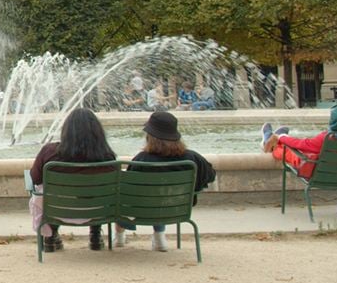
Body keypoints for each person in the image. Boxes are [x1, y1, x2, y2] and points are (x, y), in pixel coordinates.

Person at [113, 112, 216, 252]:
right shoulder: (192, 159)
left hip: (143, 210)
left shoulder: (142, 159)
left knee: (120, 194)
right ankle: (159, 236)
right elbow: (210, 176)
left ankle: (119, 236)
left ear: (150, 136)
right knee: (160, 197)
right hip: (177, 208)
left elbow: (130, 188)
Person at [29, 107, 117, 252]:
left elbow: (35, 179)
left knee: (45, 192)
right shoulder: (107, 157)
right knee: (96, 193)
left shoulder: (50, 152)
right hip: (96, 210)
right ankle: (95, 235)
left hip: (59, 209)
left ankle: (50, 237)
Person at [262, 105, 337, 179]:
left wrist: (281, 137)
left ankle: (268, 139)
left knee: (287, 151)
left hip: (320, 177)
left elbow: (301, 144)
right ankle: (273, 137)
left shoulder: (326, 139)